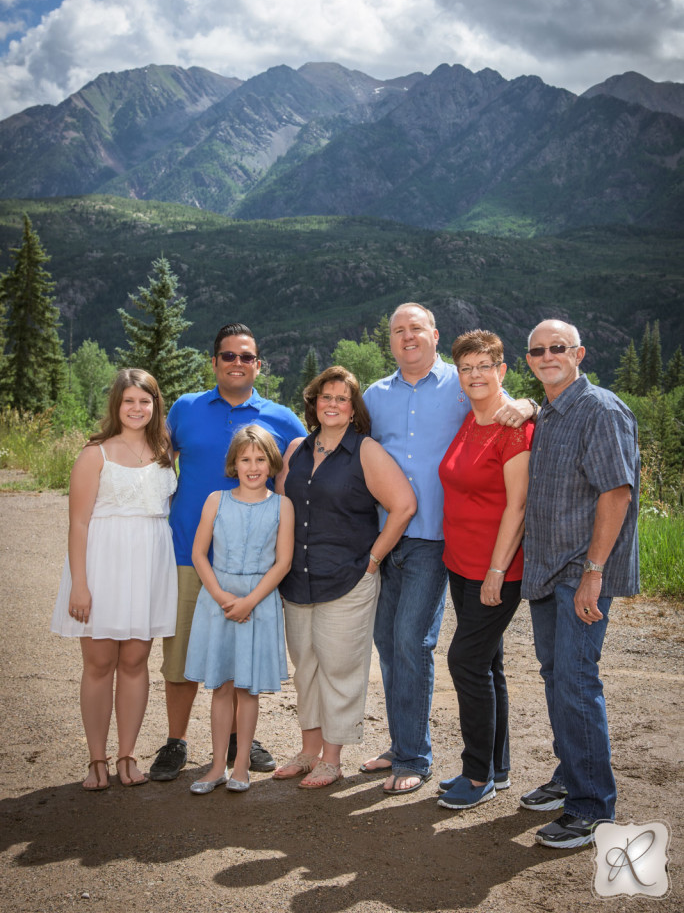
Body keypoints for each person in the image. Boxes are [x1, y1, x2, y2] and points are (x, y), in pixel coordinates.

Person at [360, 303, 535, 795]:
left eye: (416, 328)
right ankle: (407, 743)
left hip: (438, 543)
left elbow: (500, 402)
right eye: (398, 330)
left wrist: (530, 405)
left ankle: (420, 757)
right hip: (391, 538)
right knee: (391, 646)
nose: (407, 337)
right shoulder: (375, 396)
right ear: (389, 339)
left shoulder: (460, 388)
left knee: (416, 644)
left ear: (435, 336)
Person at [149, 322, 305, 783]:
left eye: (246, 356)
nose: (238, 363)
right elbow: (151, 455)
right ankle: (176, 740)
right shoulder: (185, 409)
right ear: (214, 361)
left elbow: (314, 457)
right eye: (228, 356)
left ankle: (240, 740)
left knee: (242, 655)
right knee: (180, 656)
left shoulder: (281, 417)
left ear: (258, 364)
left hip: (253, 562)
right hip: (188, 553)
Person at [520, 319, 640, 849]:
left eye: (558, 348)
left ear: (579, 353)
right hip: (548, 568)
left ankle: (592, 807)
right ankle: (571, 774)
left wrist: (593, 573)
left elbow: (616, 493)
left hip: (580, 573)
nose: (548, 356)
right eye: (538, 350)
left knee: (575, 680)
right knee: (555, 676)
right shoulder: (549, 411)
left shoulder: (601, 409)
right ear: (529, 359)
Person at [273, 366, 416, 789]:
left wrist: (372, 560)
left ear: (353, 409)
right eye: (325, 397)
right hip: (298, 579)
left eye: (341, 398)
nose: (332, 404)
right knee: (305, 669)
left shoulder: (365, 450)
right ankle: (308, 750)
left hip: (348, 578)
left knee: (339, 668)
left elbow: (404, 505)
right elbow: (282, 507)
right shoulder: (297, 448)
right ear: (314, 403)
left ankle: (332, 759)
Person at [51, 369, 177, 790]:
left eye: (145, 401)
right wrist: (79, 584)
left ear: (155, 405)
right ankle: (96, 760)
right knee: (100, 663)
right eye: (129, 401)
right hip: (103, 566)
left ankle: (127, 754)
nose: (137, 409)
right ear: (116, 405)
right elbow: (79, 524)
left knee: (135, 662)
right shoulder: (95, 454)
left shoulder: (165, 451)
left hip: (149, 567)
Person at [436, 330, 534, 810]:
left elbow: (517, 507)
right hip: (461, 564)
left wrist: (498, 571)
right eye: (466, 367)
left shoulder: (513, 427)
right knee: (489, 664)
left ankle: (476, 778)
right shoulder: (470, 420)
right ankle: (498, 767)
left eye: (484, 365)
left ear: (502, 370)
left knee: (466, 662)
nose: (475, 374)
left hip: (497, 568)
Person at [184, 425, 295, 793]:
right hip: (218, 600)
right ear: (234, 462)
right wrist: (219, 595)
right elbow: (199, 553)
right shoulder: (217, 500)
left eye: (260, 459)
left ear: (272, 463)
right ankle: (216, 766)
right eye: (245, 459)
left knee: (247, 689)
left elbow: (282, 563)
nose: (253, 466)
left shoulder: (283, 506)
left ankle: (242, 765)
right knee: (221, 686)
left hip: (258, 602)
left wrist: (249, 601)